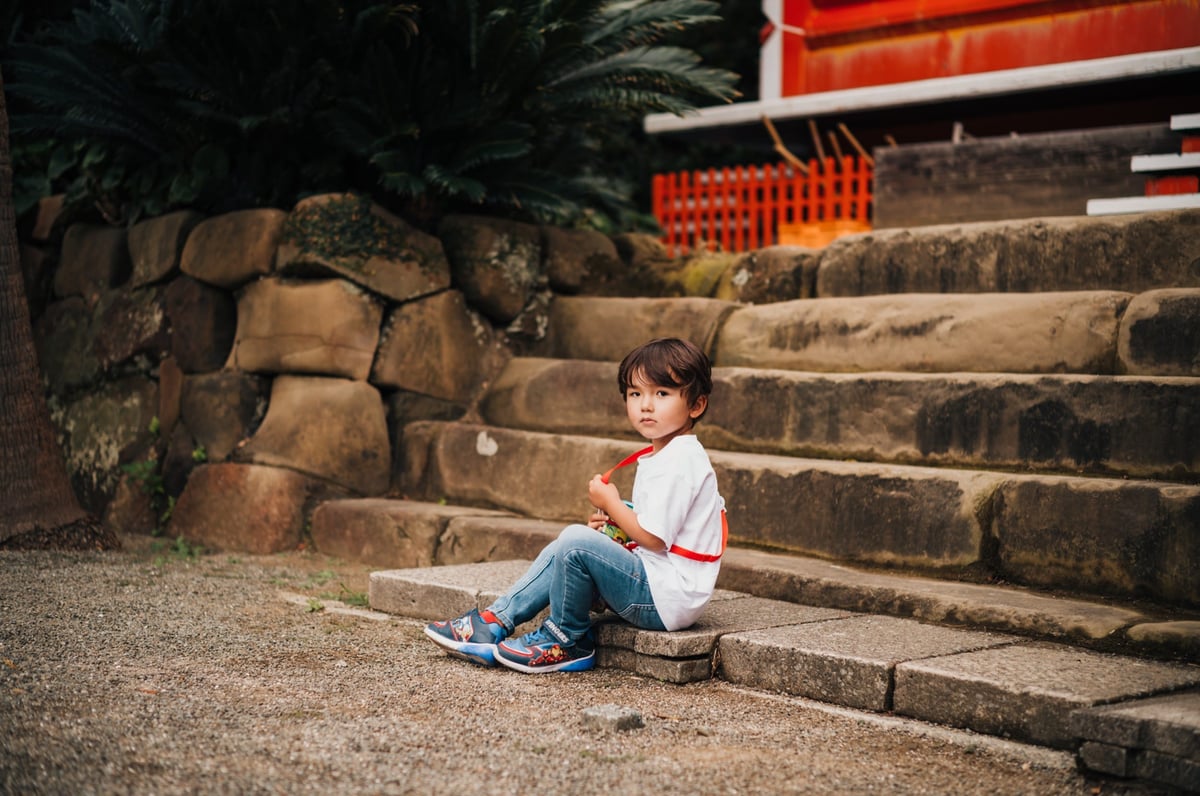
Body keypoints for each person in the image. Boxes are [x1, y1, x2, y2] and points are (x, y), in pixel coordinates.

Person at [424, 337, 727, 674]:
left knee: (574, 541)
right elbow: (658, 525)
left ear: (696, 405)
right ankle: (494, 621)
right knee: (573, 544)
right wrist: (615, 521)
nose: (645, 405)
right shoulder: (666, 454)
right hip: (659, 587)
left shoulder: (682, 460)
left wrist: (611, 501)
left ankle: (566, 639)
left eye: (662, 394)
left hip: (666, 599)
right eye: (635, 394)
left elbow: (655, 539)